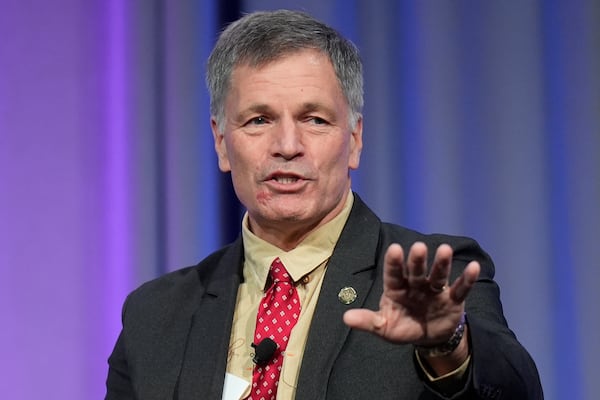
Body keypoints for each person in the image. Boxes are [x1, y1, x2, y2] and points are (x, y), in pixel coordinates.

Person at [105, 9, 543, 400]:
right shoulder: (156, 315)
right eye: (259, 120)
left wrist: (449, 345)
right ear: (222, 142)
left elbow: (516, 391)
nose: (288, 146)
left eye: (314, 119)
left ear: (354, 140)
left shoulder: (430, 276)